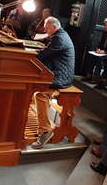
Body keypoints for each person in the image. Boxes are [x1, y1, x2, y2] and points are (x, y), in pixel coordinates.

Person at [31, 16, 75, 149]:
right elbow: (46, 54)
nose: (44, 29)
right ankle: (35, 119)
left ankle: (45, 130)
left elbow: (43, 56)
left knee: (40, 94)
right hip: (58, 73)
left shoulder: (59, 38)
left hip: (61, 78)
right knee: (33, 85)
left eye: (46, 27)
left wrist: (31, 55)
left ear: (54, 27)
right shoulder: (59, 35)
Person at [83, 18, 107, 82]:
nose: (105, 27)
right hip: (103, 52)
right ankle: (89, 75)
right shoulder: (105, 33)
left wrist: (105, 51)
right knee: (92, 56)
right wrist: (98, 49)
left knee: (100, 59)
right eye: (105, 25)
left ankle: (96, 77)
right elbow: (101, 44)